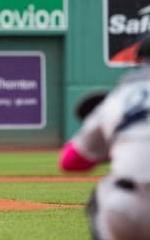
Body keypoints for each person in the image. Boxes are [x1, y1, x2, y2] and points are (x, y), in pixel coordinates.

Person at [59, 33, 150, 240]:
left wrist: (114, 148)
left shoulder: (119, 98)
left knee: (102, 194)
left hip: (125, 209)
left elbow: (70, 161)